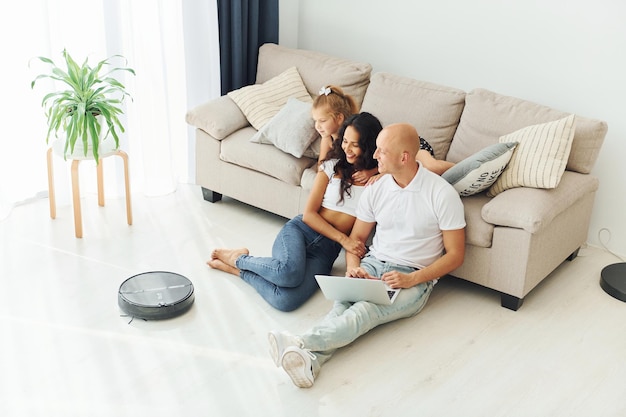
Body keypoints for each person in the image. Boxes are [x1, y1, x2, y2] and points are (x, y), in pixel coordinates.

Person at [267, 123, 466, 388]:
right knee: (341, 306)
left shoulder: (441, 194)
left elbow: (456, 255)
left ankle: (299, 342)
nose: (374, 157)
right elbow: (357, 240)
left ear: (404, 157)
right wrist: (353, 268)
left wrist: (413, 279)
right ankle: (310, 363)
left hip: (412, 277)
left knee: (364, 312)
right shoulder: (376, 189)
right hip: (373, 264)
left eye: (381, 152)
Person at [207, 113, 383, 312]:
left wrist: (377, 171)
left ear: (369, 146)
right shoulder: (331, 167)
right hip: (302, 230)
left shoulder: (377, 182)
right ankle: (239, 259)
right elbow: (309, 214)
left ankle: (237, 270)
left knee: (285, 301)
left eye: (355, 145)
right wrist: (344, 240)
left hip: (325, 253)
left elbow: (415, 161)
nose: (347, 149)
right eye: (345, 141)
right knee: (288, 274)